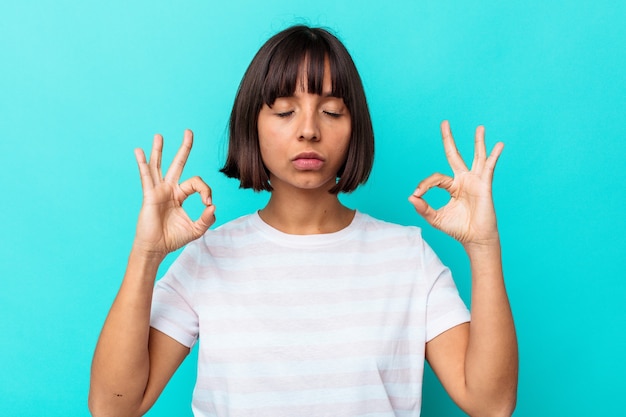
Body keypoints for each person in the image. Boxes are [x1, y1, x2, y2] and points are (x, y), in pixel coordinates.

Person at [89, 25, 517, 417]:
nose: (309, 130)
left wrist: (483, 248)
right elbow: (112, 407)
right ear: (251, 125)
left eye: (331, 111)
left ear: (355, 128)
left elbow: (491, 404)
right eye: (283, 111)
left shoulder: (407, 256)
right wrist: (146, 255)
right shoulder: (209, 257)